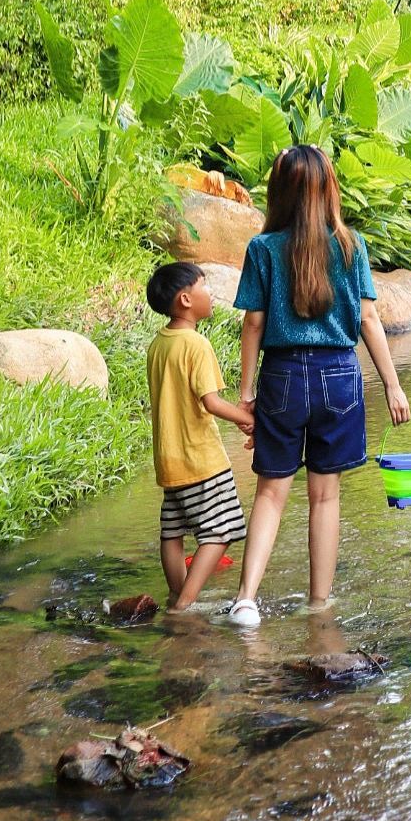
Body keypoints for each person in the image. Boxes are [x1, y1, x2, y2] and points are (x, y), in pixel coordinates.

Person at [225, 145, 410, 628]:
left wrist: (246, 394)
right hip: (339, 377)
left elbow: (253, 324)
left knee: (270, 493)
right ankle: (318, 604)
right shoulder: (351, 246)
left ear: (279, 192)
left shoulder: (263, 249)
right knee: (325, 497)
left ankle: (246, 600)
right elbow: (369, 319)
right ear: (330, 190)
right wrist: (392, 385)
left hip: (282, 376)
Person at [145, 262, 254, 613]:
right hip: (201, 460)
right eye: (205, 287)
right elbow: (210, 402)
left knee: (172, 531)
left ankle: (177, 596)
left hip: (168, 460)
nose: (210, 294)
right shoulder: (196, 344)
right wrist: (247, 419)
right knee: (222, 529)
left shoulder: (158, 344)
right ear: (186, 299)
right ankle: (185, 605)